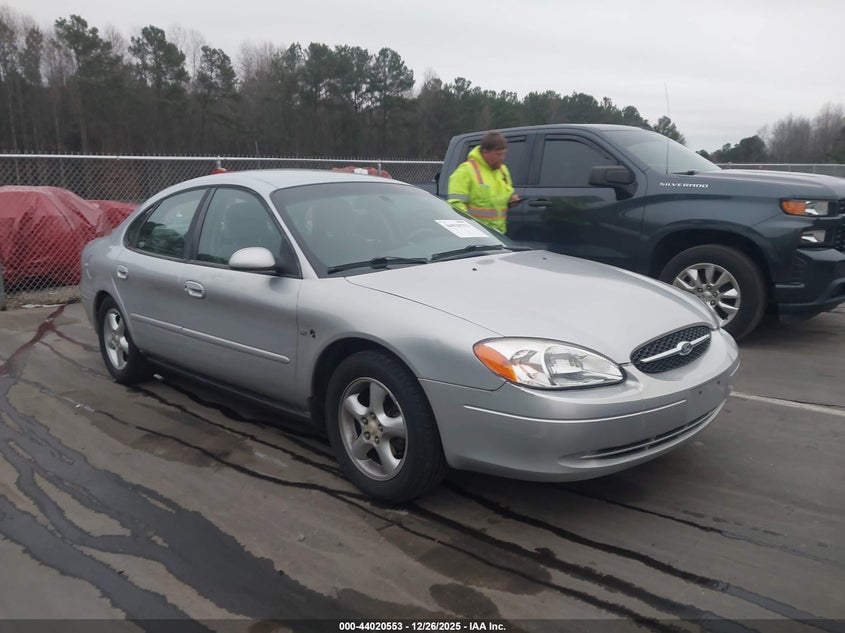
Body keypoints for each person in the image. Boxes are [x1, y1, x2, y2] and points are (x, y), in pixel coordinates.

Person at [447, 131, 519, 234]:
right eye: (498, 154)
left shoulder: (503, 170)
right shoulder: (466, 170)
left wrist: (510, 201)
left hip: (498, 235)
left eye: (503, 154)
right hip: (476, 235)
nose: (502, 158)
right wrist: (469, 230)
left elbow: (495, 201)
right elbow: (456, 205)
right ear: (485, 152)